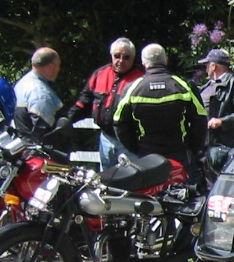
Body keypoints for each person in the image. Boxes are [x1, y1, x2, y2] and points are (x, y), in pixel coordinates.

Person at [113, 44, 207, 185]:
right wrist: (192, 148)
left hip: (147, 154)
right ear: (166, 60)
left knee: (151, 195)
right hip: (179, 152)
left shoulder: (132, 88)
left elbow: (119, 122)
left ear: (144, 63)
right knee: (183, 194)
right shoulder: (183, 85)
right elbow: (200, 119)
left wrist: (136, 148)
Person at [65, 37, 145, 169]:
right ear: (111, 56)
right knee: (106, 179)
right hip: (106, 138)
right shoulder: (100, 74)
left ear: (133, 58)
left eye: (126, 57)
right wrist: (67, 119)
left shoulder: (141, 78)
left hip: (131, 142)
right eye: (117, 56)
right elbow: (84, 101)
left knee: (132, 178)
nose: (121, 60)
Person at [198, 48, 234, 149]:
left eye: (206, 65)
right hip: (203, 144)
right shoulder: (205, 87)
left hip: (223, 146)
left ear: (213, 66)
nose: (205, 69)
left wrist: (222, 122)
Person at [13, 47, 67, 148]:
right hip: (38, 152)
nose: (59, 69)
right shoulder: (40, 92)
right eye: (58, 65)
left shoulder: (23, 83)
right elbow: (42, 132)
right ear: (50, 67)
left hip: (22, 147)